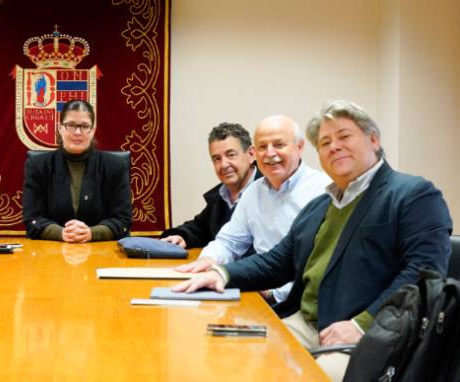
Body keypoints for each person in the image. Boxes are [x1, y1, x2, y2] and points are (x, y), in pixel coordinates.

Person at [172, 100, 453, 381]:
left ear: (373, 139)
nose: (334, 147)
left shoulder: (412, 194)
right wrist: (221, 273)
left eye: (344, 136)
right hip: (306, 322)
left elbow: (423, 274)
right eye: (325, 142)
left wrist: (362, 324)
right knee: (230, 359)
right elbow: (277, 262)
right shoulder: (321, 205)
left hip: (369, 334)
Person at [175, 115, 331, 304]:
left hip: (303, 301)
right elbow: (229, 241)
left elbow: (325, 264)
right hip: (260, 290)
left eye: (279, 145)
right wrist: (208, 260)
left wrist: (274, 292)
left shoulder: (324, 190)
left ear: (300, 147)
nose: (270, 153)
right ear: (255, 152)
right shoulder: (254, 192)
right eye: (263, 147)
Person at [22, 100, 132, 243]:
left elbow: (123, 220)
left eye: (84, 126)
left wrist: (91, 233)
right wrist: (61, 233)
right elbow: (32, 219)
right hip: (51, 248)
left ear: (93, 130)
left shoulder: (115, 166)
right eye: (71, 125)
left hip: (102, 249)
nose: (78, 132)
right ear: (60, 128)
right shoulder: (38, 166)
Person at [160, 122, 261, 249]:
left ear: (251, 154)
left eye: (231, 155)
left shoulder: (270, 191)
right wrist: (181, 237)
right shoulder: (220, 196)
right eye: (217, 158)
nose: (224, 164)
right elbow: (199, 229)